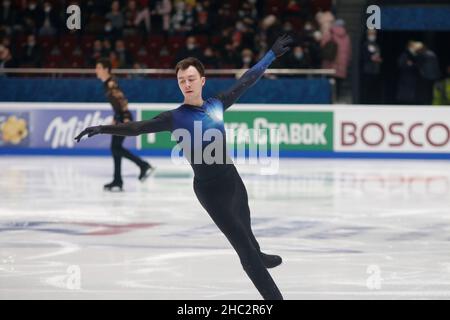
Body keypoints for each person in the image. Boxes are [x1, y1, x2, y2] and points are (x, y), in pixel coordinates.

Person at [75, 35, 294, 300]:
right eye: (181, 80)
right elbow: (137, 128)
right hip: (211, 194)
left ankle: (258, 254)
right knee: (244, 251)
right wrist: (102, 128)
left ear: (202, 81)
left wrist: (271, 55)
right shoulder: (174, 117)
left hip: (233, 180)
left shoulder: (217, 104)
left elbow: (247, 80)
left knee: (246, 228)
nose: (186, 84)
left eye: (191, 79)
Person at [94, 58, 154, 191]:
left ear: (105, 69)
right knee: (115, 148)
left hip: (124, 117)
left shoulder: (111, 83)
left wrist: (124, 117)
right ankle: (118, 180)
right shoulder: (108, 83)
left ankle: (143, 165)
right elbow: (117, 103)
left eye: (98, 67)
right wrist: (116, 117)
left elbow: (121, 100)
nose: (96, 70)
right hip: (120, 117)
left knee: (115, 148)